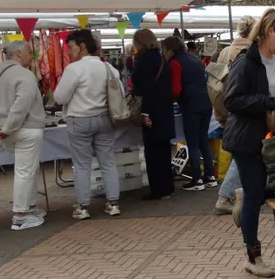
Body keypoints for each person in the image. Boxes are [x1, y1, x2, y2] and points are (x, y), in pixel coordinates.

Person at [223, 9, 275, 278]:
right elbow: (232, 100)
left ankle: (248, 194)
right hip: (248, 141)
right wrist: (268, 102)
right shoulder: (246, 61)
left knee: (274, 186)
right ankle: (253, 256)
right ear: (270, 31)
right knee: (254, 197)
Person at [54, 29, 122, 220]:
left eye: (71, 46)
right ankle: (113, 203)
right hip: (105, 119)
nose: (69, 50)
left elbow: (60, 97)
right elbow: (120, 92)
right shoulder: (108, 68)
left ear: (82, 46)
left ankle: (83, 207)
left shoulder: (74, 69)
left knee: (82, 165)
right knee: (107, 162)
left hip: (80, 120)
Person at [0, 40, 46, 230]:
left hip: (5, 129)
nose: (32, 55)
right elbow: (21, 107)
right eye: (29, 51)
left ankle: (29, 207)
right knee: (25, 171)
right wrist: (8, 128)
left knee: (27, 170)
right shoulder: (25, 75)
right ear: (18, 53)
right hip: (25, 129)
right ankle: (20, 215)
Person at [163, 36, 217, 191]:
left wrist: (171, 98)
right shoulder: (194, 59)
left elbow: (175, 89)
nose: (164, 54)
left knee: (192, 143)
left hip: (190, 105)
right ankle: (210, 175)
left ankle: (196, 179)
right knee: (203, 140)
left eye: (165, 51)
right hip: (206, 103)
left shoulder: (175, 63)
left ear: (170, 50)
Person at [214, 16, 256, 217]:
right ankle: (226, 195)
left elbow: (217, 86)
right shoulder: (253, 51)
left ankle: (240, 193)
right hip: (245, 107)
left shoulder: (225, 52)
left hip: (227, 107)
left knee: (241, 151)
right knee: (243, 153)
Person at [132, 29, 176, 201]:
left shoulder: (143, 60)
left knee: (153, 152)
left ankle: (158, 189)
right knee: (164, 150)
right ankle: (168, 186)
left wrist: (145, 112)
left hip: (152, 109)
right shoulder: (161, 58)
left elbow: (144, 88)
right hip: (165, 108)